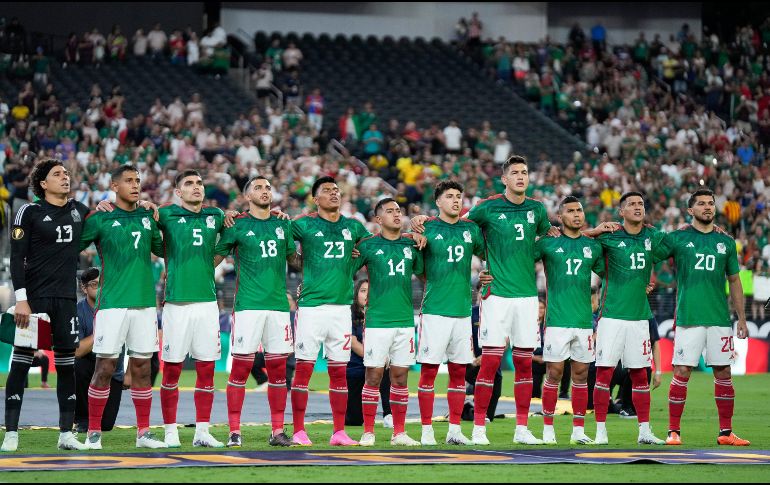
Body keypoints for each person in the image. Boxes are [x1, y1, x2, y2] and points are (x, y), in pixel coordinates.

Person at [415, 155, 558, 446]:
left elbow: (550, 236)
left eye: (525, 172)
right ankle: (478, 427)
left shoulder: (537, 209)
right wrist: (422, 220)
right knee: (489, 363)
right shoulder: (487, 207)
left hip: (528, 297)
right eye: (515, 173)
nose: (521, 176)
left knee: (525, 365)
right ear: (504, 179)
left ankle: (521, 428)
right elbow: (456, 227)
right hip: (496, 299)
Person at [2, 158, 90, 452]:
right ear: (43, 183)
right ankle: (11, 433)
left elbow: (104, 221)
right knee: (21, 363)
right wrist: (22, 300)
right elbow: (16, 258)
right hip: (35, 300)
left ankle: (66, 434)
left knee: (67, 366)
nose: (65, 177)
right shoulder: (28, 211)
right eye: (57, 174)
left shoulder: (79, 210)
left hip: (66, 300)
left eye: (66, 173)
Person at [653, 189, 750, 446]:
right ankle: (673, 431)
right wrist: (648, 282)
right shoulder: (678, 238)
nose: (708, 207)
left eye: (711, 203)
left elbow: (734, 280)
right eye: (702, 204)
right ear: (690, 210)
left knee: (724, 372)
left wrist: (741, 318)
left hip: (719, 318)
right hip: (689, 316)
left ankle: (726, 433)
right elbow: (651, 255)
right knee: (682, 371)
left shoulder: (726, 242)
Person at [79, 164, 166, 450]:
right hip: (112, 305)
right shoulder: (100, 217)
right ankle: (93, 433)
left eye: (138, 180)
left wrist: (157, 212)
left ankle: (143, 434)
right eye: (128, 180)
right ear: (114, 186)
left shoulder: (147, 216)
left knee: (142, 368)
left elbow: (161, 249)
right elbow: (73, 244)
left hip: (144, 305)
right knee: (105, 366)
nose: (135, 184)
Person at [214, 175, 299, 448]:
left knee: (277, 372)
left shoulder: (282, 224)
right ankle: (234, 431)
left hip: (278, 308)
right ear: (247, 196)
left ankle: (277, 431)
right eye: (258, 187)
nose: (265, 191)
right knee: (239, 369)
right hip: (248, 307)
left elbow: (294, 261)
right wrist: (219, 220)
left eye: (268, 187)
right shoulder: (237, 225)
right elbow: (214, 258)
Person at [289, 176, 372, 447]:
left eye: (336, 190)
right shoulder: (304, 223)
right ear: (316, 198)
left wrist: (355, 265)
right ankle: (299, 430)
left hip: (341, 309)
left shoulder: (353, 226)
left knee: (339, 371)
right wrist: (300, 264)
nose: (334, 194)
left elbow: (372, 248)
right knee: (304, 369)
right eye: (327, 190)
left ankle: (339, 432)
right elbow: (282, 238)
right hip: (312, 307)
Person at [584, 192, 666, 445]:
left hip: (640, 318)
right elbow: (576, 239)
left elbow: (679, 243)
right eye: (631, 204)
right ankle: (600, 431)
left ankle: (644, 431)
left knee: (640, 374)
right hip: (611, 317)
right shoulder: (609, 237)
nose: (637, 207)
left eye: (641, 203)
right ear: (621, 211)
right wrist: (595, 230)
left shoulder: (652, 235)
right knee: (604, 373)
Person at [154, 170, 225, 449]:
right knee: (171, 370)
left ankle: (202, 431)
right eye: (189, 184)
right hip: (176, 304)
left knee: (207, 369)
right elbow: (143, 226)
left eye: (199, 183)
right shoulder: (165, 214)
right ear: (177, 192)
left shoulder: (216, 216)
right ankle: (170, 431)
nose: (196, 187)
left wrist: (211, 263)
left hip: (207, 304)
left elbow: (231, 239)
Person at [413, 181, 487, 446]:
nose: (456, 200)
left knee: (458, 373)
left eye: (459, 196)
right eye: (450, 196)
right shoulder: (427, 228)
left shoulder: (471, 229)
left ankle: (455, 430)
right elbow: (419, 269)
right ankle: (426, 431)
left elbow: (488, 253)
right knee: (429, 373)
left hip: (462, 312)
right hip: (435, 311)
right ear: (438, 202)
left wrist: (486, 272)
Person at [533, 196, 604, 445]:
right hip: (556, 320)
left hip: (584, 321)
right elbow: (521, 259)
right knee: (554, 373)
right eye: (570, 211)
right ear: (560, 217)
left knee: (582, 375)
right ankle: (548, 428)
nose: (576, 214)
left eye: (580, 210)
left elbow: (609, 273)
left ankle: (578, 430)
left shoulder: (593, 247)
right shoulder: (548, 244)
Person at [353, 198, 423, 447]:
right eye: (390, 211)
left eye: (399, 210)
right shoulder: (368, 246)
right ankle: (368, 431)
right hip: (377, 322)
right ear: (378, 219)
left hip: (404, 321)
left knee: (401, 377)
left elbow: (425, 274)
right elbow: (347, 269)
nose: (397, 214)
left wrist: (421, 241)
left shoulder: (411, 244)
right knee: (373, 375)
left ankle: (399, 433)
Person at [74, 268, 126, 434]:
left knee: (106, 425)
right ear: (84, 288)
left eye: (103, 284)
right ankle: (82, 418)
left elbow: (134, 341)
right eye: (95, 284)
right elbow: (78, 351)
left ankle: (95, 419)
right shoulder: (77, 310)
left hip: (113, 370)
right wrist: (101, 331)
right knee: (77, 365)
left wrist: (130, 372)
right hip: (89, 366)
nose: (100, 288)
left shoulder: (118, 307)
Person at [345, 279, 393, 428]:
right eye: (363, 290)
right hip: (355, 369)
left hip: (375, 367)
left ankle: (388, 414)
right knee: (354, 421)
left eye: (370, 291)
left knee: (386, 368)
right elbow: (354, 343)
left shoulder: (381, 314)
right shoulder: (348, 314)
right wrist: (374, 356)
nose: (367, 294)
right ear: (356, 294)